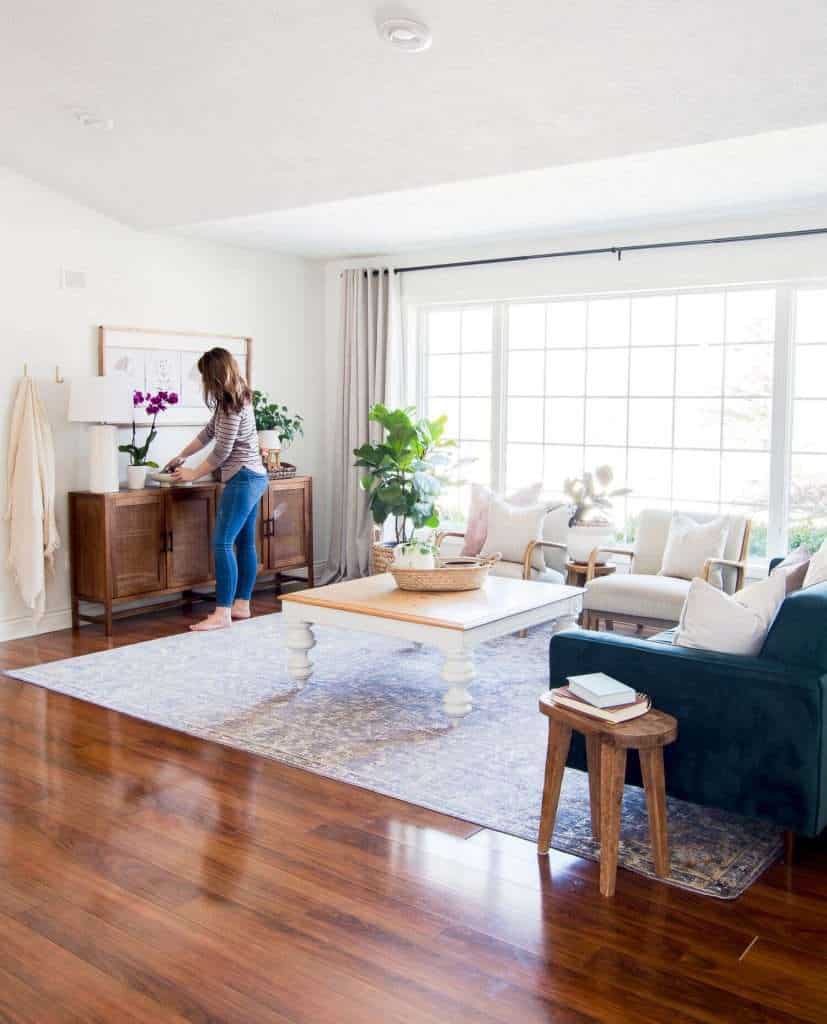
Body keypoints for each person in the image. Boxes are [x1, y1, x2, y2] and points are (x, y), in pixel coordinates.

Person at [167, 347, 268, 631]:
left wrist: (192, 474)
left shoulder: (232, 406)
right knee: (244, 542)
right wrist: (182, 455)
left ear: (214, 376)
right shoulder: (237, 399)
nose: (203, 383)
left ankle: (222, 612)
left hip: (243, 478)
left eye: (204, 377)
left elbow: (221, 452)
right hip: (254, 476)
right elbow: (209, 433)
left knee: (222, 542)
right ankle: (241, 604)